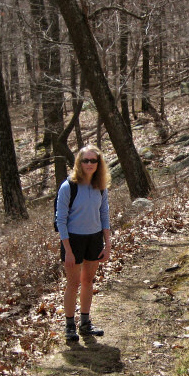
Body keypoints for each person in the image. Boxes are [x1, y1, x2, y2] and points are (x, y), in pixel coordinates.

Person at [55, 145, 112, 341]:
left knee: (88, 281)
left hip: (94, 238)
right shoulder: (68, 186)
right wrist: (68, 250)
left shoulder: (100, 186)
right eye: (85, 160)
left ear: (99, 164)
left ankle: (85, 323)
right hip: (73, 240)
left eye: (93, 161)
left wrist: (108, 244)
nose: (89, 164)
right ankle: (69, 325)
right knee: (73, 283)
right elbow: (60, 220)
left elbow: (104, 215)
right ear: (79, 163)